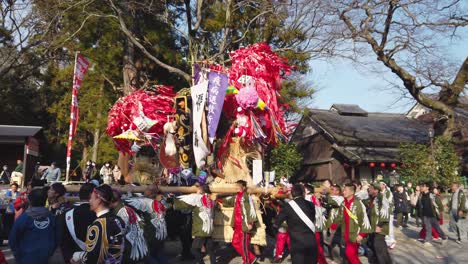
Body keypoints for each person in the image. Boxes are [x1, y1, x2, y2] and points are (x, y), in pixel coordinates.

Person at [71, 184, 125, 264]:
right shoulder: (118, 219)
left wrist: (79, 257)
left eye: (91, 198)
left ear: (99, 200)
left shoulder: (100, 225)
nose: (89, 201)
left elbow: (97, 258)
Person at [9, 188, 59, 264]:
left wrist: (17, 254)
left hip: (25, 257)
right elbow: (57, 237)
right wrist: (50, 252)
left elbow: (13, 238)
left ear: (30, 200)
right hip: (46, 256)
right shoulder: (52, 218)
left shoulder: (23, 218)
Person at [171, 184, 216, 264]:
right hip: (209, 228)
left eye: (198, 189)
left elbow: (185, 201)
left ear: (201, 190)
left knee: (194, 249)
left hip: (201, 229)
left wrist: (172, 199)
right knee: (210, 249)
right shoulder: (211, 199)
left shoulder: (198, 198)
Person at [275, 184, 317, 264]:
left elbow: (277, 222)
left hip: (297, 242)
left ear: (292, 193)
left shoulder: (288, 206)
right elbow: (312, 219)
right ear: (303, 193)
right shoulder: (311, 205)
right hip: (311, 240)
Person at [125, 184, 169, 264]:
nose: (145, 190)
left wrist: (129, 192)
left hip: (151, 234)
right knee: (160, 253)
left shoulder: (145, 202)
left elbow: (128, 201)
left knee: (148, 257)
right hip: (162, 233)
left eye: (147, 189)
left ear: (150, 193)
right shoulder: (161, 202)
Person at [218, 180, 258, 264]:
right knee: (235, 243)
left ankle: (247, 261)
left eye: (237, 186)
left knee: (244, 246)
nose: (236, 187)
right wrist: (219, 198)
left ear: (243, 187)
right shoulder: (236, 196)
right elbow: (228, 201)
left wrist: (251, 223)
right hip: (237, 225)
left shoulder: (247, 197)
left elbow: (251, 209)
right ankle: (252, 258)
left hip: (244, 225)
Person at [331, 184, 371, 264]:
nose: (343, 191)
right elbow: (339, 217)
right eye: (343, 190)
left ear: (352, 192)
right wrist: (333, 226)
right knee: (350, 256)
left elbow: (365, 220)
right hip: (345, 233)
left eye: (345, 190)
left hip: (355, 234)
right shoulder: (343, 203)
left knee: (350, 254)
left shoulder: (358, 204)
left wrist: (362, 234)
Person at [60, 183, 97, 263]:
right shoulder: (101, 214)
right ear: (92, 195)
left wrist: (69, 257)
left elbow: (63, 240)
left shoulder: (66, 215)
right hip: (97, 258)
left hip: (74, 258)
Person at [111, 188, 148, 263]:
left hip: (130, 252)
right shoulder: (128, 209)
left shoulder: (120, 213)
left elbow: (120, 234)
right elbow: (141, 225)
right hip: (141, 247)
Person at [366, 183, 392, 264]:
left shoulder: (381, 197)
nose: (369, 189)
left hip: (380, 227)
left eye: (370, 188)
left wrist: (379, 225)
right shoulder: (372, 198)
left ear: (376, 190)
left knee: (379, 246)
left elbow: (385, 212)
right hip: (372, 226)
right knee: (375, 246)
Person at [417, 182, 447, 246]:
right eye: (421, 186)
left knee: (437, 228)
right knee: (428, 228)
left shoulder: (432, 195)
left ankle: (444, 237)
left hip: (433, 215)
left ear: (427, 187)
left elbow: (440, 205)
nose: (421, 187)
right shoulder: (420, 195)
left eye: (423, 186)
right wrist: (419, 214)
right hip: (425, 215)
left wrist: (440, 213)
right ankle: (428, 241)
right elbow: (418, 205)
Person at [304, 184, 327, 264]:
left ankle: (322, 261)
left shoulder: (307, 197)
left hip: (313, 224)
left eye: (304, 189)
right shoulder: (313, 197)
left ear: (308, 191)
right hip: (317, 223)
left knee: (316, 244)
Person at [380, 181, 396, 249]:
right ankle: (387, 241)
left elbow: (389, 202)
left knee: (389, 227)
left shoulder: (388, 192)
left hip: (388, 212)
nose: (380, 185)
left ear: (384, 185)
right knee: (383, 227)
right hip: (382, 213)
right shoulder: (379, 192)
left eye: (381, 184)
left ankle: (392, 241)